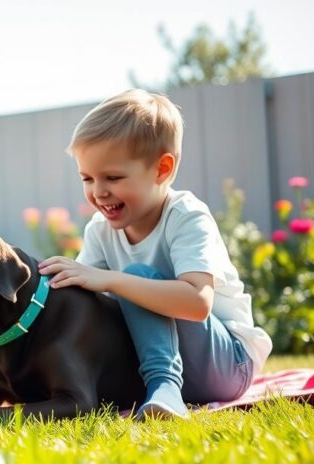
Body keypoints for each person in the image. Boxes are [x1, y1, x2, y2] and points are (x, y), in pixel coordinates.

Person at [38, 89, 272, 418]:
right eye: (87, 178)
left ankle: (166, 387)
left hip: (228, 364)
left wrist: (110, 280)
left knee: (136, 278)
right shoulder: (99, 231)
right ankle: (162, 388)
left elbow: (197, 303)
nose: (99, 191)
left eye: (113, 177)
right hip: (152, 364)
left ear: (161, 169)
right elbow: (81, 309)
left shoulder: (186, 215)